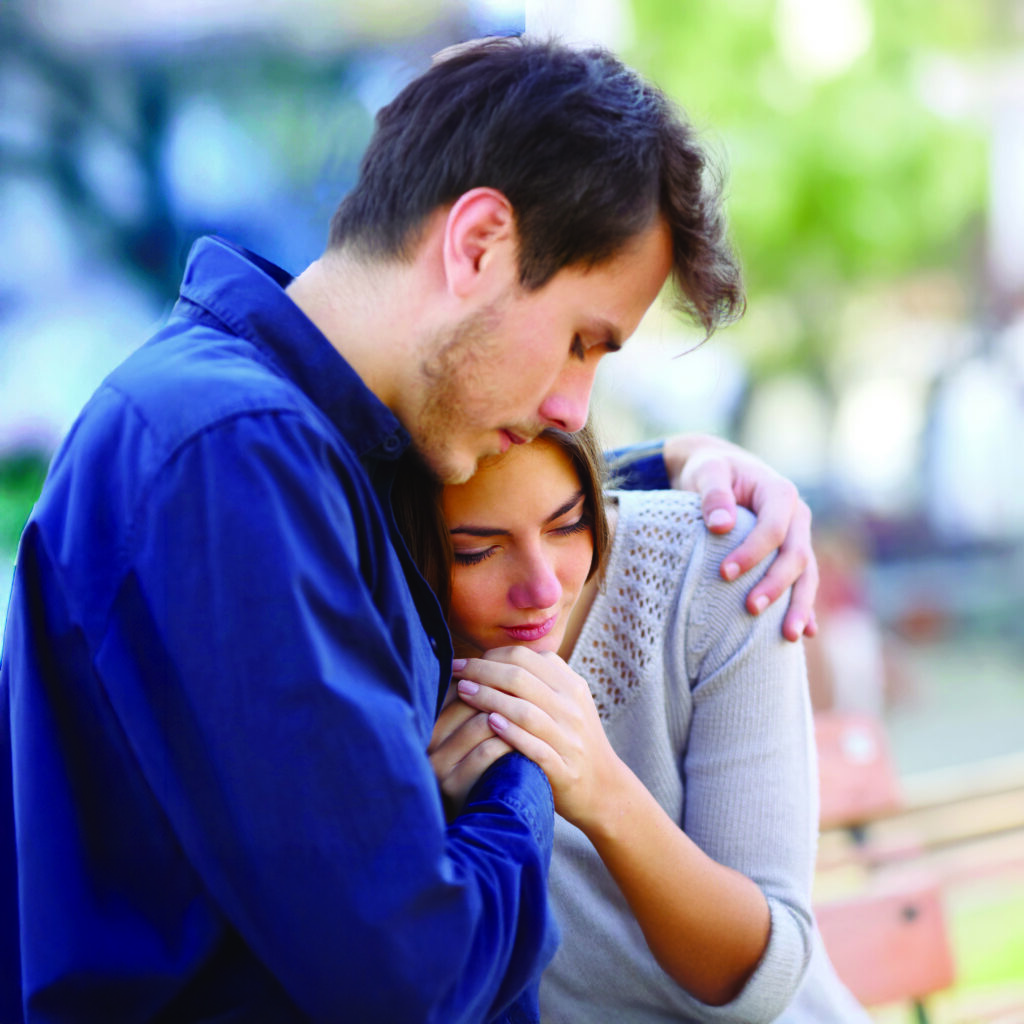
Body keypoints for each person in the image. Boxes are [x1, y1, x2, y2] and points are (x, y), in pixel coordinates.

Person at [1, 36, 815, 1023]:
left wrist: (675, 467)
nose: (572, 405)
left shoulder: (302, 448)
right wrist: (522, 757)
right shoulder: (238, 456)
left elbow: (460, 518)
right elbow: (414, 972)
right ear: (476, 244)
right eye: (579, 341)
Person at [398, 424, 869, 1022]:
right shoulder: (377, 665)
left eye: (568, 523)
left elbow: (762, 980)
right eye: (477, 551)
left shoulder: (714, 571)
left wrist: (600, 788)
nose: (542, 590)